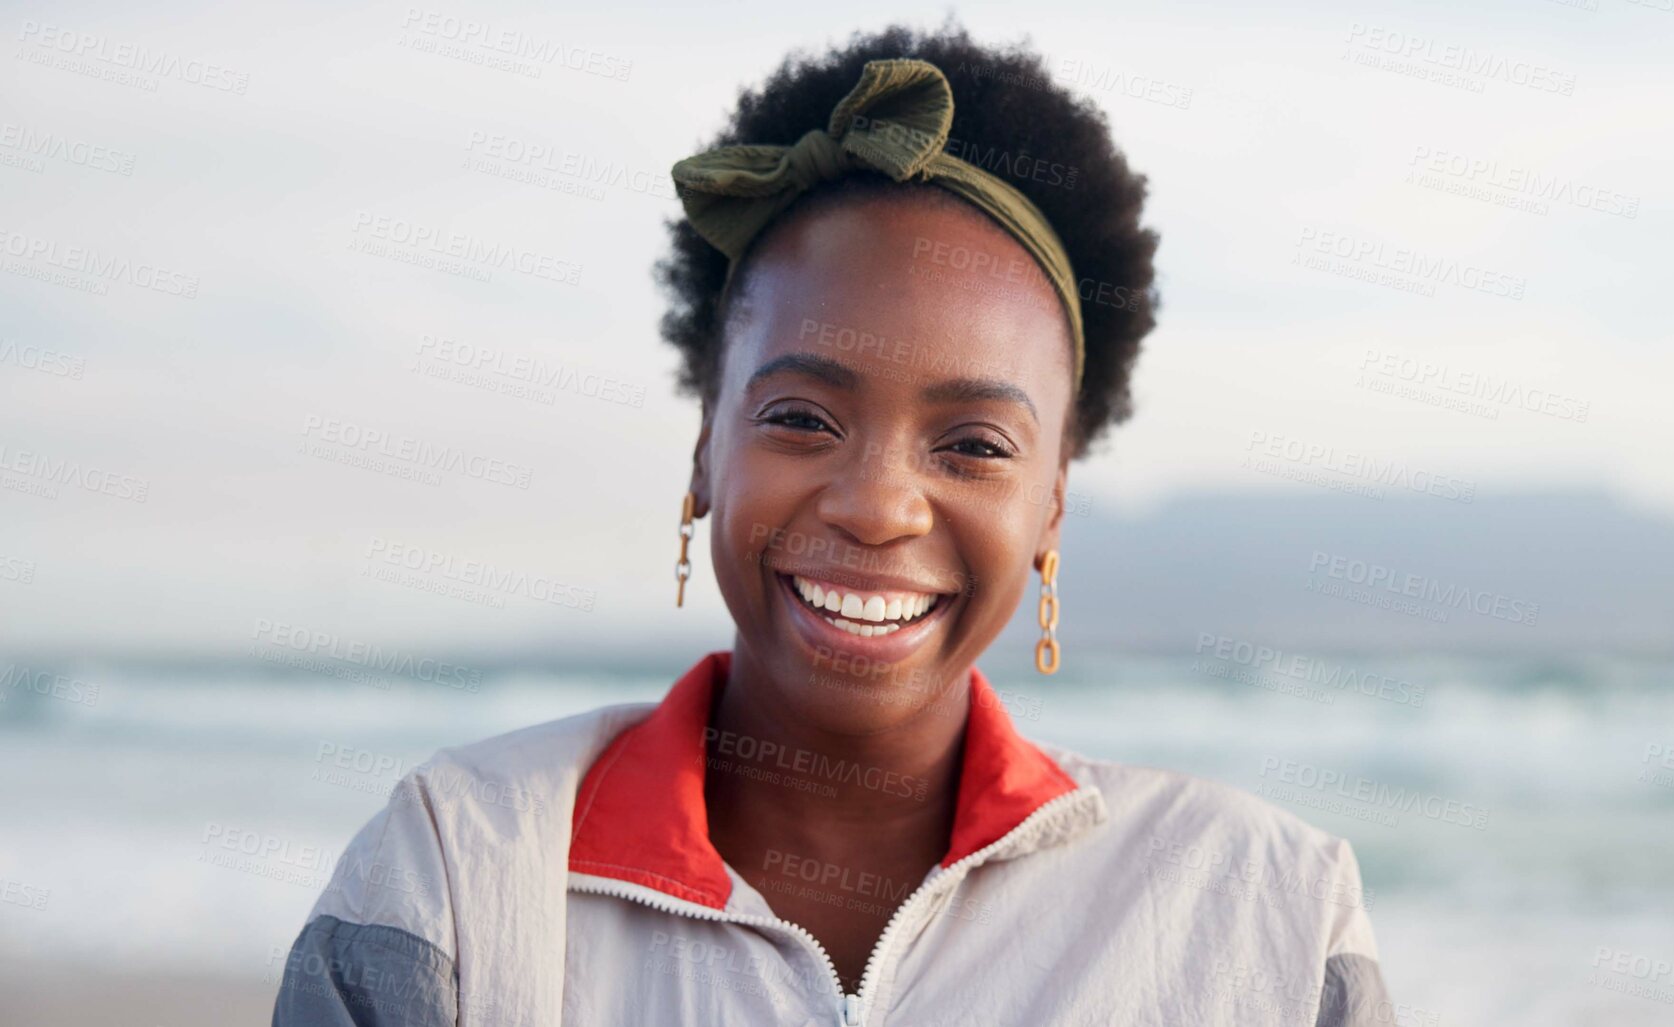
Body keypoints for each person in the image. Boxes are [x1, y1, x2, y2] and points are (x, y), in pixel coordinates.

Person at [273, 21, 1390, 1026]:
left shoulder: (1270, 915)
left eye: (974, 446)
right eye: (803, 418)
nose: (878, 505)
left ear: (1051, 500)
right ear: (708, 446)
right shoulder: (455, 876)